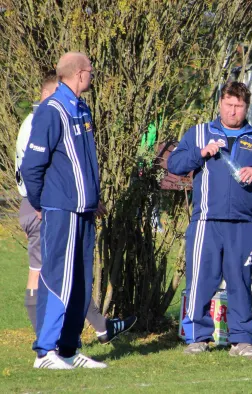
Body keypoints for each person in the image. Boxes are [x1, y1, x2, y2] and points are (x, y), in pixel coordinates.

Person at [15, 71, 137, 350]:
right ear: (48, 93)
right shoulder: (42, 120)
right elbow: (36, 169)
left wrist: (88, 199)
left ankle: (90, 330)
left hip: (49, 204)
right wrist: (41, 203)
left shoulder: (44, 119)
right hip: (44, 208)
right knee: (49, 274)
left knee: (59, 272)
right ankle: (49, 342)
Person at [168, 81, 252, 359]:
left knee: (240, 281)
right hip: (206, 222)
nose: (233, 111)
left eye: (239, 106)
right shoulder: (199, 133)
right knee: (200, 280)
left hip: (243, 225)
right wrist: (201, 153)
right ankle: (197, 338)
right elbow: (174, 165)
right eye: (229, 105)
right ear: (220, 104)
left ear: (246, 108)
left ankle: (242, 341)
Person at [21, 52, 107, 369]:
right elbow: (32, 165)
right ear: (80, 74)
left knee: (81, 281)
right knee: (59, 278)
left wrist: (93, 197)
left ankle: (69, 349)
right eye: (91, 71)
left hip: (84, 211)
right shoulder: (51, 110)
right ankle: (45, 352)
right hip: (61, 210)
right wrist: (40, 201)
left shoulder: (81, 108)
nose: (92, 76)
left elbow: (83, 163)